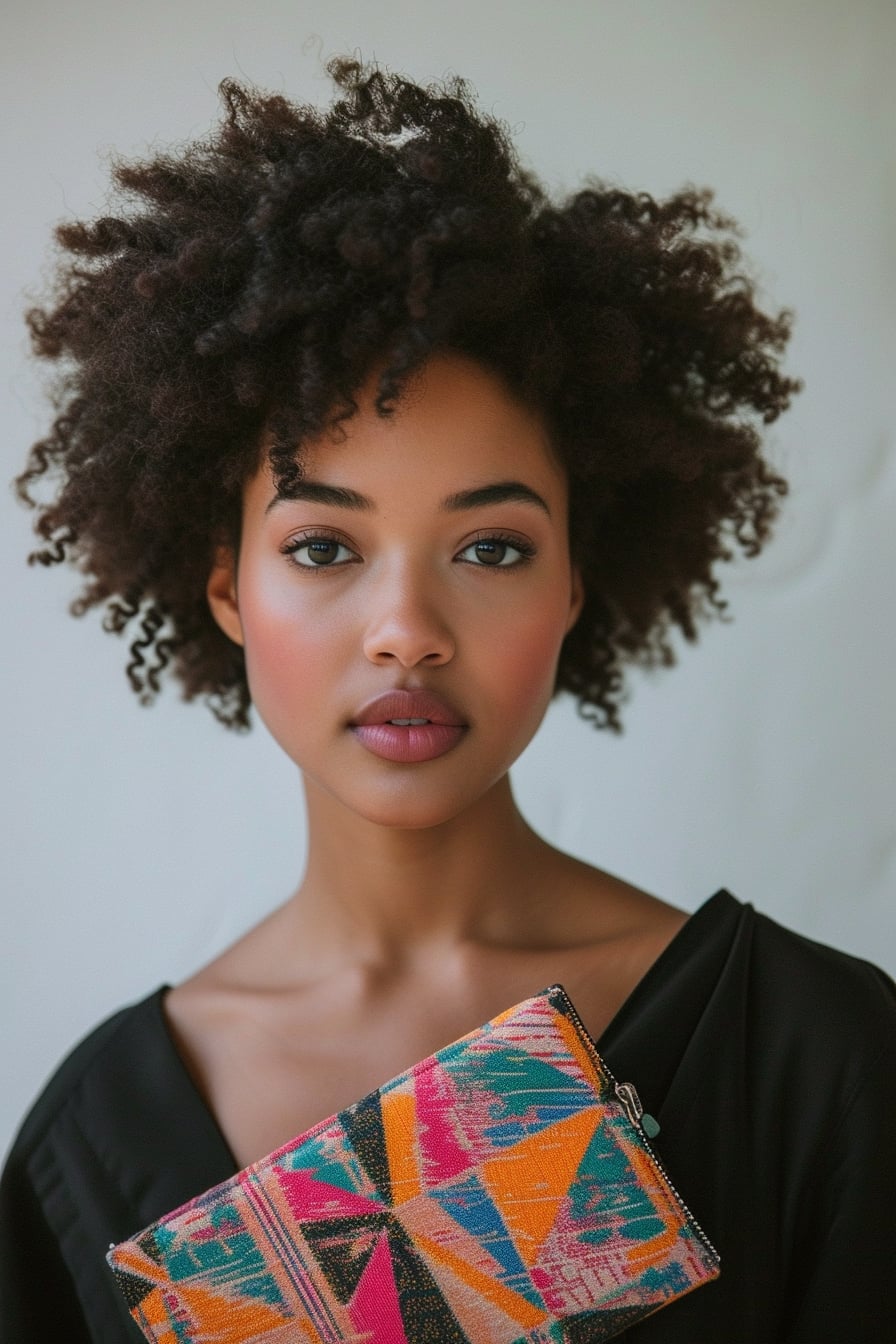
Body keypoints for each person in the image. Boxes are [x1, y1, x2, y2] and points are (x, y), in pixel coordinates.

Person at [1, 57, 893, 1344]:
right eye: (320, 548)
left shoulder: (803, 1054)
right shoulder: (99, 1138)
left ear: (577, 581)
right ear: (224, 590)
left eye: (490, 549)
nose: (407, 631)